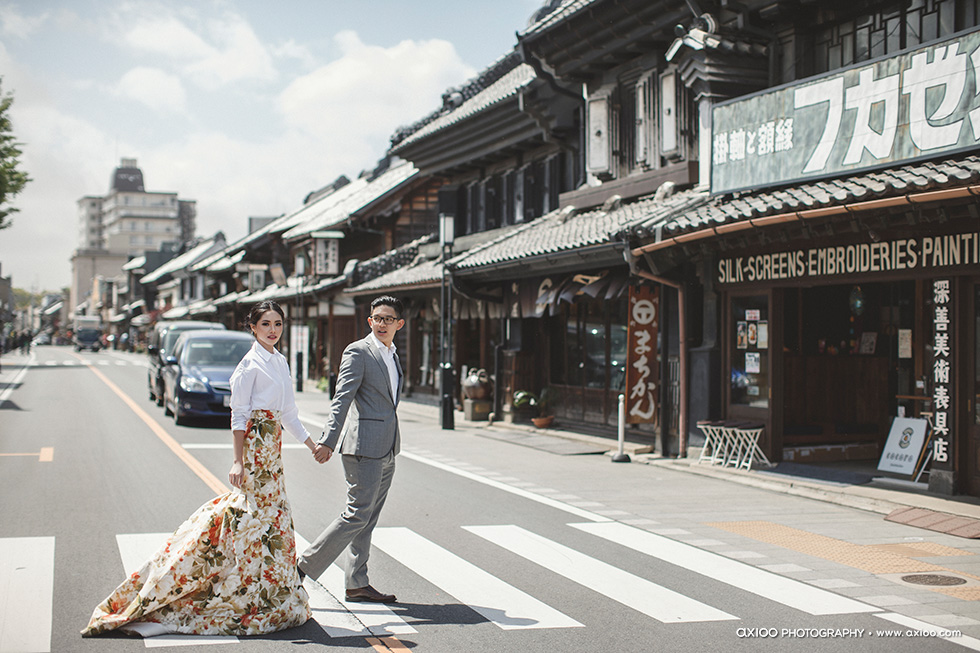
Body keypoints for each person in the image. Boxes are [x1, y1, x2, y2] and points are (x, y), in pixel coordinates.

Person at [82, 301, 316, 637]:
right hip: (254, 450)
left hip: (273, 453)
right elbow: (239, 418)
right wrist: (237, 461)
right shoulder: (248, 367)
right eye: (266, 323)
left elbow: (289, 413)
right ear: (252, 326)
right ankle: (246, 592)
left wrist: (312, 445)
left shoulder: (279, 361)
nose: (273, 330)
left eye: (278, 323)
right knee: (255, 521)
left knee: (274, 518)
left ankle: (273, 595)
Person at [298, 295, 404, 603]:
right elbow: (341, 398)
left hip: (387, 448)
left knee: (368, 518)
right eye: (377, 318)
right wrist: (328, 440)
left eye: (388, 319)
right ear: (370, 321)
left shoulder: (393, 355)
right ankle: (303, 567)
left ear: (399, 323)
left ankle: (357, 582)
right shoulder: (358, 351)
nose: (382, 323)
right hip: (362, 447)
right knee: (356, 514)